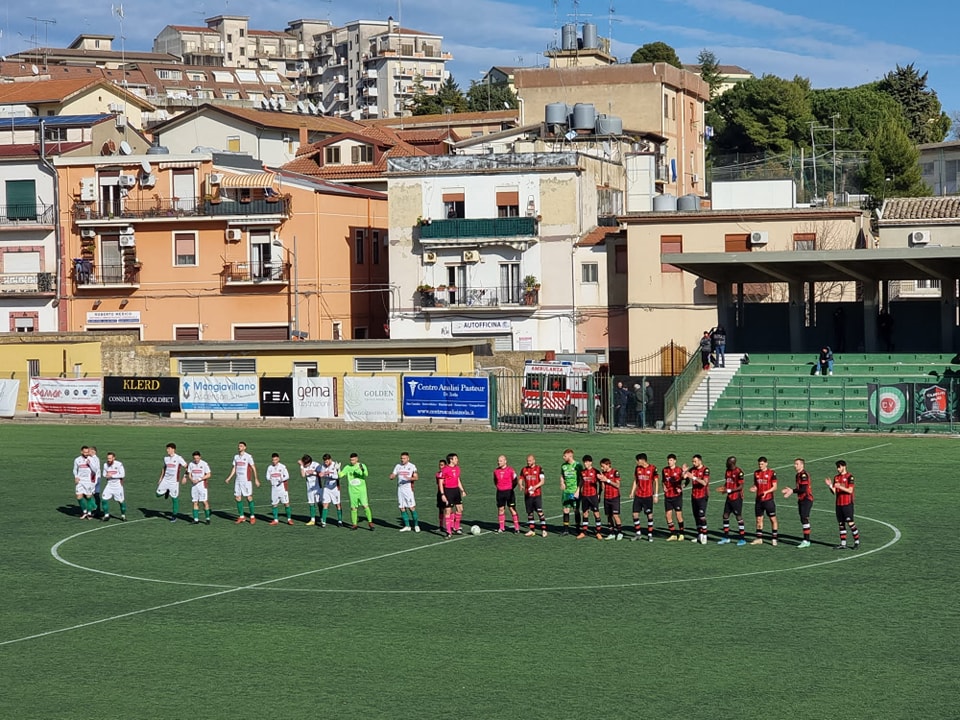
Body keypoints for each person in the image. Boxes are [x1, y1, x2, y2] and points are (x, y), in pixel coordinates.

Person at [825, 460, 860, 550]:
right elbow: (834, 491)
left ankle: (856, 542)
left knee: (850, 523)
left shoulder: (849, 477)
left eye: (839, 467)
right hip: (838, 504)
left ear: (844, 466)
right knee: (841, 524)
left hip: (847, 503)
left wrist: (840, 486)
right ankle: (843, 544)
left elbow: (850, 490)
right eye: (837, 467)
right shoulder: (836, 477)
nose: (838, 469)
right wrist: (830, 486)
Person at [224, 441, 259, 524]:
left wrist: (256, 479)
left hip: (246, 480)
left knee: (249, 497)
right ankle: (241, 516)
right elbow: (234, 468)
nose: (239, 447)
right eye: (239, 446)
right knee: (237, 497)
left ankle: (252, 516)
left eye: (241, 446)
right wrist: (229, 478)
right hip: (238, 480)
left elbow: (253, 467)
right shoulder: (236, 457)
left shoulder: (248, 457)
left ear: (245, 447)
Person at [782, 458, 813, 548]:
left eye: (797, 464)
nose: (795, 466)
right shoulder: (798, 475)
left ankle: (806, 540)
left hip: (807, 498)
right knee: (803, 519)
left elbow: (803, 489)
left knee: (804, 518)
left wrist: (792, 491)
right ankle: (806, 539)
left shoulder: (803, 475)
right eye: (795, 464)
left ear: (802, 465)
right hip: (801, 499)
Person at [715, 456, 747, 545]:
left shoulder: (739, 472)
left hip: (737, 497)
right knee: (725, 515)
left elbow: (741, 486)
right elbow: (728, 482)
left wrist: (728, 490)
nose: (726, 463)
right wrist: (724, 487)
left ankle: (742, 538)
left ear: (732, 463)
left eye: (728, 462)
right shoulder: (727, 471)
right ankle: (726, 537)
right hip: (729, 497)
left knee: (738, 516)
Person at [339, 453, 374, 531]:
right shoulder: (347, 467)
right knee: (353, 508)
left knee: (365, 506)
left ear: (357, 459)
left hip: (362, 491)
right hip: (352, 491)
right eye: (351, 460)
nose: (352, 461)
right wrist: (338, 470)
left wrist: (362, 469)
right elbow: (340, 475)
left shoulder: (361, 465)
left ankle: (370, 522)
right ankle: (354, 524)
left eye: (353, 460)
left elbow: (366, 474)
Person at [629, 453, 659, 542]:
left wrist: (656, 495)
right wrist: (632, 492)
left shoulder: (653, 468)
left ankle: (650, 534)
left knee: (649, 515)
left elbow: (656, 482)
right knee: (635, 514)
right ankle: (638, 533)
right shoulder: (637, 468)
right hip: (638, 495)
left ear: (642, 460)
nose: (636, 462)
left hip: (648, 496)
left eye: (637, 460)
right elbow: (635, 481)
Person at [749, 456, 778, 545]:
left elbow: (775, 487)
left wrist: (766, 492)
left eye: (762, 464)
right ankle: (759, 538)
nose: (760, 466)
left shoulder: (771, 473)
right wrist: (754, 488)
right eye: (759, 464)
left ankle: (774, 538)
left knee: (772, 519)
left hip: (768, 500)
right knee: (758, 519)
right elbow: (756, 485)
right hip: (759, 500)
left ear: (766, 463)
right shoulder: (756, 473)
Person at [683, 454, 710, 544]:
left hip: (703, 496)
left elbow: (704, 483)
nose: (693, 463)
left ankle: (705, 536)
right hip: (694, 496)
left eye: (695, 461)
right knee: (696, 516)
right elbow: (685, 478)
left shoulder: (705, 470)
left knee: (702, 516)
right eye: (692, 462)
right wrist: (684, 473)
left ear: (700, 461)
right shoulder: (692, 469)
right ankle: (699, 535)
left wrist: (693, 477)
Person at [390, 451, 420, 532]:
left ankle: (416, 525)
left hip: (408, 490)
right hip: (400, 490)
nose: (402, 460)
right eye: (401, 458)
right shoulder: (398, 466)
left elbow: (416, 478)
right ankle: (407, 526)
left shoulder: (412, 466)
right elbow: (393, 474)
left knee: (411, 507)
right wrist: (392, 476)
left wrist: (410, 478)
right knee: (402, 508)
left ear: (408, 458)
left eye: (404, 458)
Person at [576, 455, 604, 540]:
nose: (585, 463)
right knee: (585, 513)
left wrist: (599, 493)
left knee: (596, 514)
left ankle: (598, 532)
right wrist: (578, 491)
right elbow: (581, 482)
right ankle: (584, 532)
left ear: (591, 462)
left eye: (587, 462)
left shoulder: (596, 471)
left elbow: (601, 483)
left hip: (593, 496)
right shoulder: (582, 472)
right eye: (584, 462)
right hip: (585, 496)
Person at [438, 453, 466, 537]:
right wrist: (442, 494)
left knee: (460, 509)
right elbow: (440, 482)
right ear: (451, 460)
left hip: (456, 491)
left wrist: (462, 490)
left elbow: (458, 479)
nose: (457, 460)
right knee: (448, 511)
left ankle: (456, 528)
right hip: (448, 491)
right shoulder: (445, 470)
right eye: (455, 459)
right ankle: (448, 531)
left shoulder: (457, 468)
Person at [519, 454, 548, 537]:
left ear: (534, 460)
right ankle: (532, 530)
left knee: (539, 512)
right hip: (528, 495)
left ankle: (544, 530)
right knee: (530, 513)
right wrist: (520, 485)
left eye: (530, 461)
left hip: (537, 494)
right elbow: (521, 478)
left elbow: (542, 481)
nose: (528, 462)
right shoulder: (524, 469)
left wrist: (535, 487)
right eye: (527, 461)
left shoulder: (539, 469)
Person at [158, 443, 187, 522]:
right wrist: (160, 478)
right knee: (157, 494)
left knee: (174, 498)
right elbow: (164, 468)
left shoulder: (178, 458)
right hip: (165, 480)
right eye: (167, 449)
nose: (167, 450)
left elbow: (187, 467)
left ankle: (174, 516)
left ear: (173, 449)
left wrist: (185, 476)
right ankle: (166, 491)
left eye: (169, 449)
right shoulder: (166, 458)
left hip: (174, 482)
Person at [493, 455, 521, 534]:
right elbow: (495, 481)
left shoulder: (511, 470)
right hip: (500, 492)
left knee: (512, 509)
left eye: (501, 461)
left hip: (509, 492)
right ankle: (502, 528)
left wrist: (511, 488)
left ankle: (516, 528)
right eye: (498, 461)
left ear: (505, 461)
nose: (499, 462)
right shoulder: (496, 471)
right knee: (501, 509)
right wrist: (499, 487)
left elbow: (515, 480)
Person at [183, 451, 212, 525]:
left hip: (202, 486)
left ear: (200, 457)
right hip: (194, 486)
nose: (196, 460)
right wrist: (191, 479)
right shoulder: (191, 464)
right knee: (195, 501)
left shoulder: (204, 464)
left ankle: (207, 518)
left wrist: (199, 479)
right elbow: (189, 474)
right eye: (195, 458)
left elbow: (209, 474)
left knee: (204, 502)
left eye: (197, 458)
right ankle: (196, 519)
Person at [662, 453, 685, 541]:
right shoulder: (664, 470)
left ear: (675, 461)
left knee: (678, 515)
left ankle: (682, 533)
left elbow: (686, 480)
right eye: (668, 460)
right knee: (668, 515)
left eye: (671, 460)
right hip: (668, 496)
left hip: (677, 496)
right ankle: (673, 534)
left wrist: (682, 486)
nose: (669, 462)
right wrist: (663, 486)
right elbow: (663, 480)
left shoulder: (679, 470)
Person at [559, 449, 582, 535]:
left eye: (565, 456)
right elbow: (562, 475)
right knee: (565, 510)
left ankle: (578, 528)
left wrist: (578, 491)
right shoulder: (563, 466)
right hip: (566, 492)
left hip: (575, 491)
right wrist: (562, 483)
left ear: (570, 455)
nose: (563, 457)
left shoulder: (578, 465)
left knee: (576, 510)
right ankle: (565, 530)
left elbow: (581, 479)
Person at [599, 458, 623, 540]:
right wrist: (601, 480)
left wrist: (607, 480)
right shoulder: (603, 473)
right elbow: (603, 488)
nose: (602, 468)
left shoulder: (615, 472)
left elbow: (617, 485)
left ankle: (619, 532)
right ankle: (611, 532)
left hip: (615, 497)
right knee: (608, 516)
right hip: (606, 497)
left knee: (615, 515)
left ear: (608, 464)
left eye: (603, 466)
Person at [266, 453, 293, 526]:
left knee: (286, 503)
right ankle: (275, 519)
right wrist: (270, 478)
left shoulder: (283, 467)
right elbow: (267, 476)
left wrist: (281, 479)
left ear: (278, 459)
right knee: (274, 504)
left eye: (275, 459)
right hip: (274, 488)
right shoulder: (270, 468)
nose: (274, 461)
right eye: (273, 460)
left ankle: (289, 519)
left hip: (282, 488)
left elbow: (287, 476)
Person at [99, 451, 126, 522]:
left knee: (121, 501)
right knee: (104, 499)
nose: (109, 460)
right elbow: (104, 474)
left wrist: (112, 475)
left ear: (114, 458)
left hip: (118, 486)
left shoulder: (119, 464)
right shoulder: (105, 465)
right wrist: (106, 475)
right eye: (108, 458)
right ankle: (106, 515)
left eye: (110, 458)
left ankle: (123, 515)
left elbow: (122, 475)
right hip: (109, 485)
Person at [318, 454, 343, 527]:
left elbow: (338, 477)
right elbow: (322, 475)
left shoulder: (336, 465)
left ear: (330, 460)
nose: (326, 463)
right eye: (325, 462)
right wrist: (322, 475)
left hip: (335, 488)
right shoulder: (323, 465)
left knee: (337, 504)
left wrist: (329, 474)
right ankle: (324, 522)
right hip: (327, 487)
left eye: (327, 462)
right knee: (325, 504)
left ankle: (340, 521)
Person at [73, 445, 97, 520]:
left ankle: (89, 513)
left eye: (87, 452)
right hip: (80, 480)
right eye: (85, 452)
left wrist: (89, 464)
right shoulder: (77, 460)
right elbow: (74, 469)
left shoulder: (91, 459)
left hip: (88, 481)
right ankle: (84, 511)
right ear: (81, 452)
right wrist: (76, 476)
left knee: (88, 497)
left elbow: (95, 470)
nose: (86, 454)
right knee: (79, 497)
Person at [298, 454, 322, 526]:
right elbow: (303, 475)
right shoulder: (304, 466)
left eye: (306, 464)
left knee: (319, 503)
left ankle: (322, 518)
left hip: (317, 487)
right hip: (309, 488)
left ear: (310, 462)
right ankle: (312, 520)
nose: (306, 465)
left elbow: (321, 474)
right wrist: (301, 466)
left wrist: (313, 472)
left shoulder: (316, 465)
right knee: (311, 503)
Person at [435, 459, 448, 534]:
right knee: (440, 509)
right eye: (440, 465)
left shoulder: (447, 473)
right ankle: (440, 526)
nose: (441, 467)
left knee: (448, 510)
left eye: (442, 465)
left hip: (447, 492)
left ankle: (450, 526)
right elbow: (438, 483)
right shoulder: (437, 474)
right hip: (440, 493)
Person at [89, 446, 102, 518]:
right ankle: (98, 510)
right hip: (96, 478)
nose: (88, 452)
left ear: (93, 451)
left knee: (89, 494)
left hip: (94, 479)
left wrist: (89, 463)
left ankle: (95, 508)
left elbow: (95, 469)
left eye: (89, 451)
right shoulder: (93, 458)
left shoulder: (95, 459)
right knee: (96, 495)